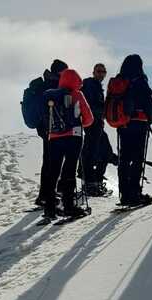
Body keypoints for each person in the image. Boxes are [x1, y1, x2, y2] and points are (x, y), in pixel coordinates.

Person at [42, 69, 94, 220]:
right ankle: (69, 206)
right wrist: (79, 124)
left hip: (53, 137)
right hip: (73, 136)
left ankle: (50, 209)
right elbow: (89, 119)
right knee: (69, 171)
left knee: (52, 173)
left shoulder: (51, 95)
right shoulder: (77, 94)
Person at [115, 54, 152, 206]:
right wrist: (150, 119)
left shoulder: (120, 81)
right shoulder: (141, 81)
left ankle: (124, 195)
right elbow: (149, 103)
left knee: (124, 158)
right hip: (139, 123)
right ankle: (134, 194)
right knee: (137, 158)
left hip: (122, 123)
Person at [33, 59, 69, 207]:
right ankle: (48, 196)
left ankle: (44, 195)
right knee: (52, 164)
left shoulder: (44, 84)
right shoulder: (54, 85)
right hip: (52, 130)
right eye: (64, 71)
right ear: (59, 71)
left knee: (47, 162)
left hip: (44, 129)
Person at [80, 63, 118, 197]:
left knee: (102, 152)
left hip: (95, 124)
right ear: (94, 72)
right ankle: (92, 184)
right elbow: (90, 105)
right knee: (93, 153)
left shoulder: (94, 86)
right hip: (93, 124)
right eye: (99, 71)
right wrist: (103, 109)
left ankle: (94, 182)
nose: (101, 74)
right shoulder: (90, 85)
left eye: (103, 72)